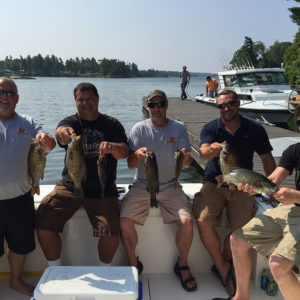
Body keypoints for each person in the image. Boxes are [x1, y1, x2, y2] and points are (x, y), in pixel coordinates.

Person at [193, 89, 276, 296]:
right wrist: (211, 150)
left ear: (238, 104)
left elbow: (266, 158)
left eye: (230, 104)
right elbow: (203, 152)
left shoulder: (254, 128)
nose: (226, 108)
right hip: (216, 181)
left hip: (242, 183)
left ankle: (226, 259)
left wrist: (274, 187)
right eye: (221, 105)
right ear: (217, 107)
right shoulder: (211, 128)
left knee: (241, 230)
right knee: (203, 222)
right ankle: (222, 268)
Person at [36, 82, 129, 267]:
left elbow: (124, 152)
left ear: (97, 99)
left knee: (111, 233)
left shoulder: (112, 124)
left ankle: (104, 272)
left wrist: (113, 147)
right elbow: (60, 134)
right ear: (75, 101)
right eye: (81, 100)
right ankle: (55, 269)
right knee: (43, 222)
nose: (85, 103)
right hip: (70, 186)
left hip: (102, 189)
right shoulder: (71, 122)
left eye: (90, 99)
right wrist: (64, 134)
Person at [212, 106, 300, 300]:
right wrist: (253, 185)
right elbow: (274, 180)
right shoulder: (294, 150)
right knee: (238, 239)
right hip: (292, 210)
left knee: (277, 265)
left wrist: (297, 196)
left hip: (296, 206)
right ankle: (241, 297)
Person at [120, 89, 197, 292]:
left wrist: (186, 158)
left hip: (172, 185)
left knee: (187, 223)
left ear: (166, 106)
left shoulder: (179, 128)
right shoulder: (138, 129)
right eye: (152, 105)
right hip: (142, 185)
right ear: (147, 107)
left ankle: (182, 264)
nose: (156, 109)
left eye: (160, 104)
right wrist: (136, 155)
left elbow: (187, 164)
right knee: (124, 222)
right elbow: (129, 164)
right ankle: (133, 263)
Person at [0, 77, 56, 296]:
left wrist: (46, 140)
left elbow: (48, 145)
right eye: (1, 92)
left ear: (17, 98)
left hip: (20, 197)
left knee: (20, 244)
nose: (5, 97)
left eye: (10, 93)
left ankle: (15, 280)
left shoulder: (28, 123)